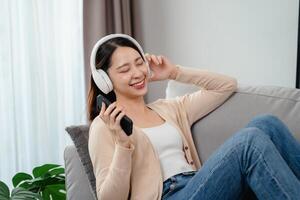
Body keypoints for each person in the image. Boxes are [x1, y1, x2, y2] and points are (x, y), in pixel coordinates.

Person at [87, 33, 300, 200]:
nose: (137, 73)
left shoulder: (169, 109)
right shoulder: (106, 126)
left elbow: (226, 85)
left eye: (139, 62)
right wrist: (123, 145)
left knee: (267, 124)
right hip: (170, 195)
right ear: (105, 80)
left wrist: (174, 73)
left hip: (197, 186)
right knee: (249, 141)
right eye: (125, 69)